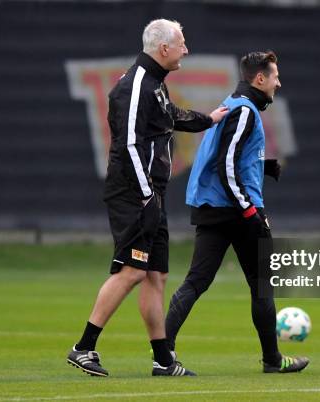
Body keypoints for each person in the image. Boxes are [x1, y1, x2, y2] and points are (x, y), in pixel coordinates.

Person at [66, 19, 228, 377]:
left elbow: (169, 116)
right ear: (164, 48)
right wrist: (145, 196)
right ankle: (83, 348)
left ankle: (163, 360)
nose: (186, 50)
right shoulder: (135, 85)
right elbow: (126, 146)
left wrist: (209, 119)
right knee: (131, 272)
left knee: (156, 276)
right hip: (133, 193)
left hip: (151, 193)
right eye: (182, 44)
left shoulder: (154, 83)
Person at [165, 51, 309, 373]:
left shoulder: (233, 104)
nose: (278, 83)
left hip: (213, 208)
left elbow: (231, 157)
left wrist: (262, 166)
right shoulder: (244, 111)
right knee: (262, 285)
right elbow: (226, 164)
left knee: (196, 282)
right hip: (235, 210)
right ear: (260, 79)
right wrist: (248, 211)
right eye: (274, 76)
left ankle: (164, 356)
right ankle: (273, 361)